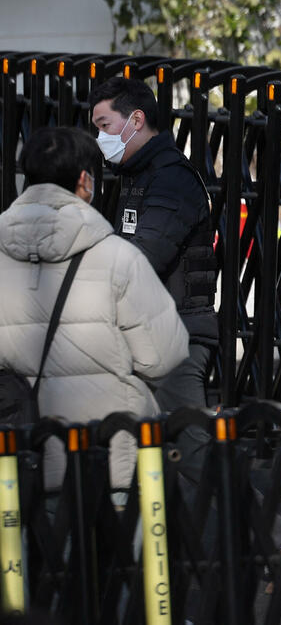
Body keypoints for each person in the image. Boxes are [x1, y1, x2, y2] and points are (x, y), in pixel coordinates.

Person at [0, 127, 188, 493]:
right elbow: (164, 355)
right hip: (106, 456)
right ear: (85, 181)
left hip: (18, 462)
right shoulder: (118, 258)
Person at [88, 77, 217, 412]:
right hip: (148, 335)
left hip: (176, 339)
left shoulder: (171, 179)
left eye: (105, 125)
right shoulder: (137, 175)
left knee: (188, 448)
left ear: (136, 120)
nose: (100, 138)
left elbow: (143, 258)